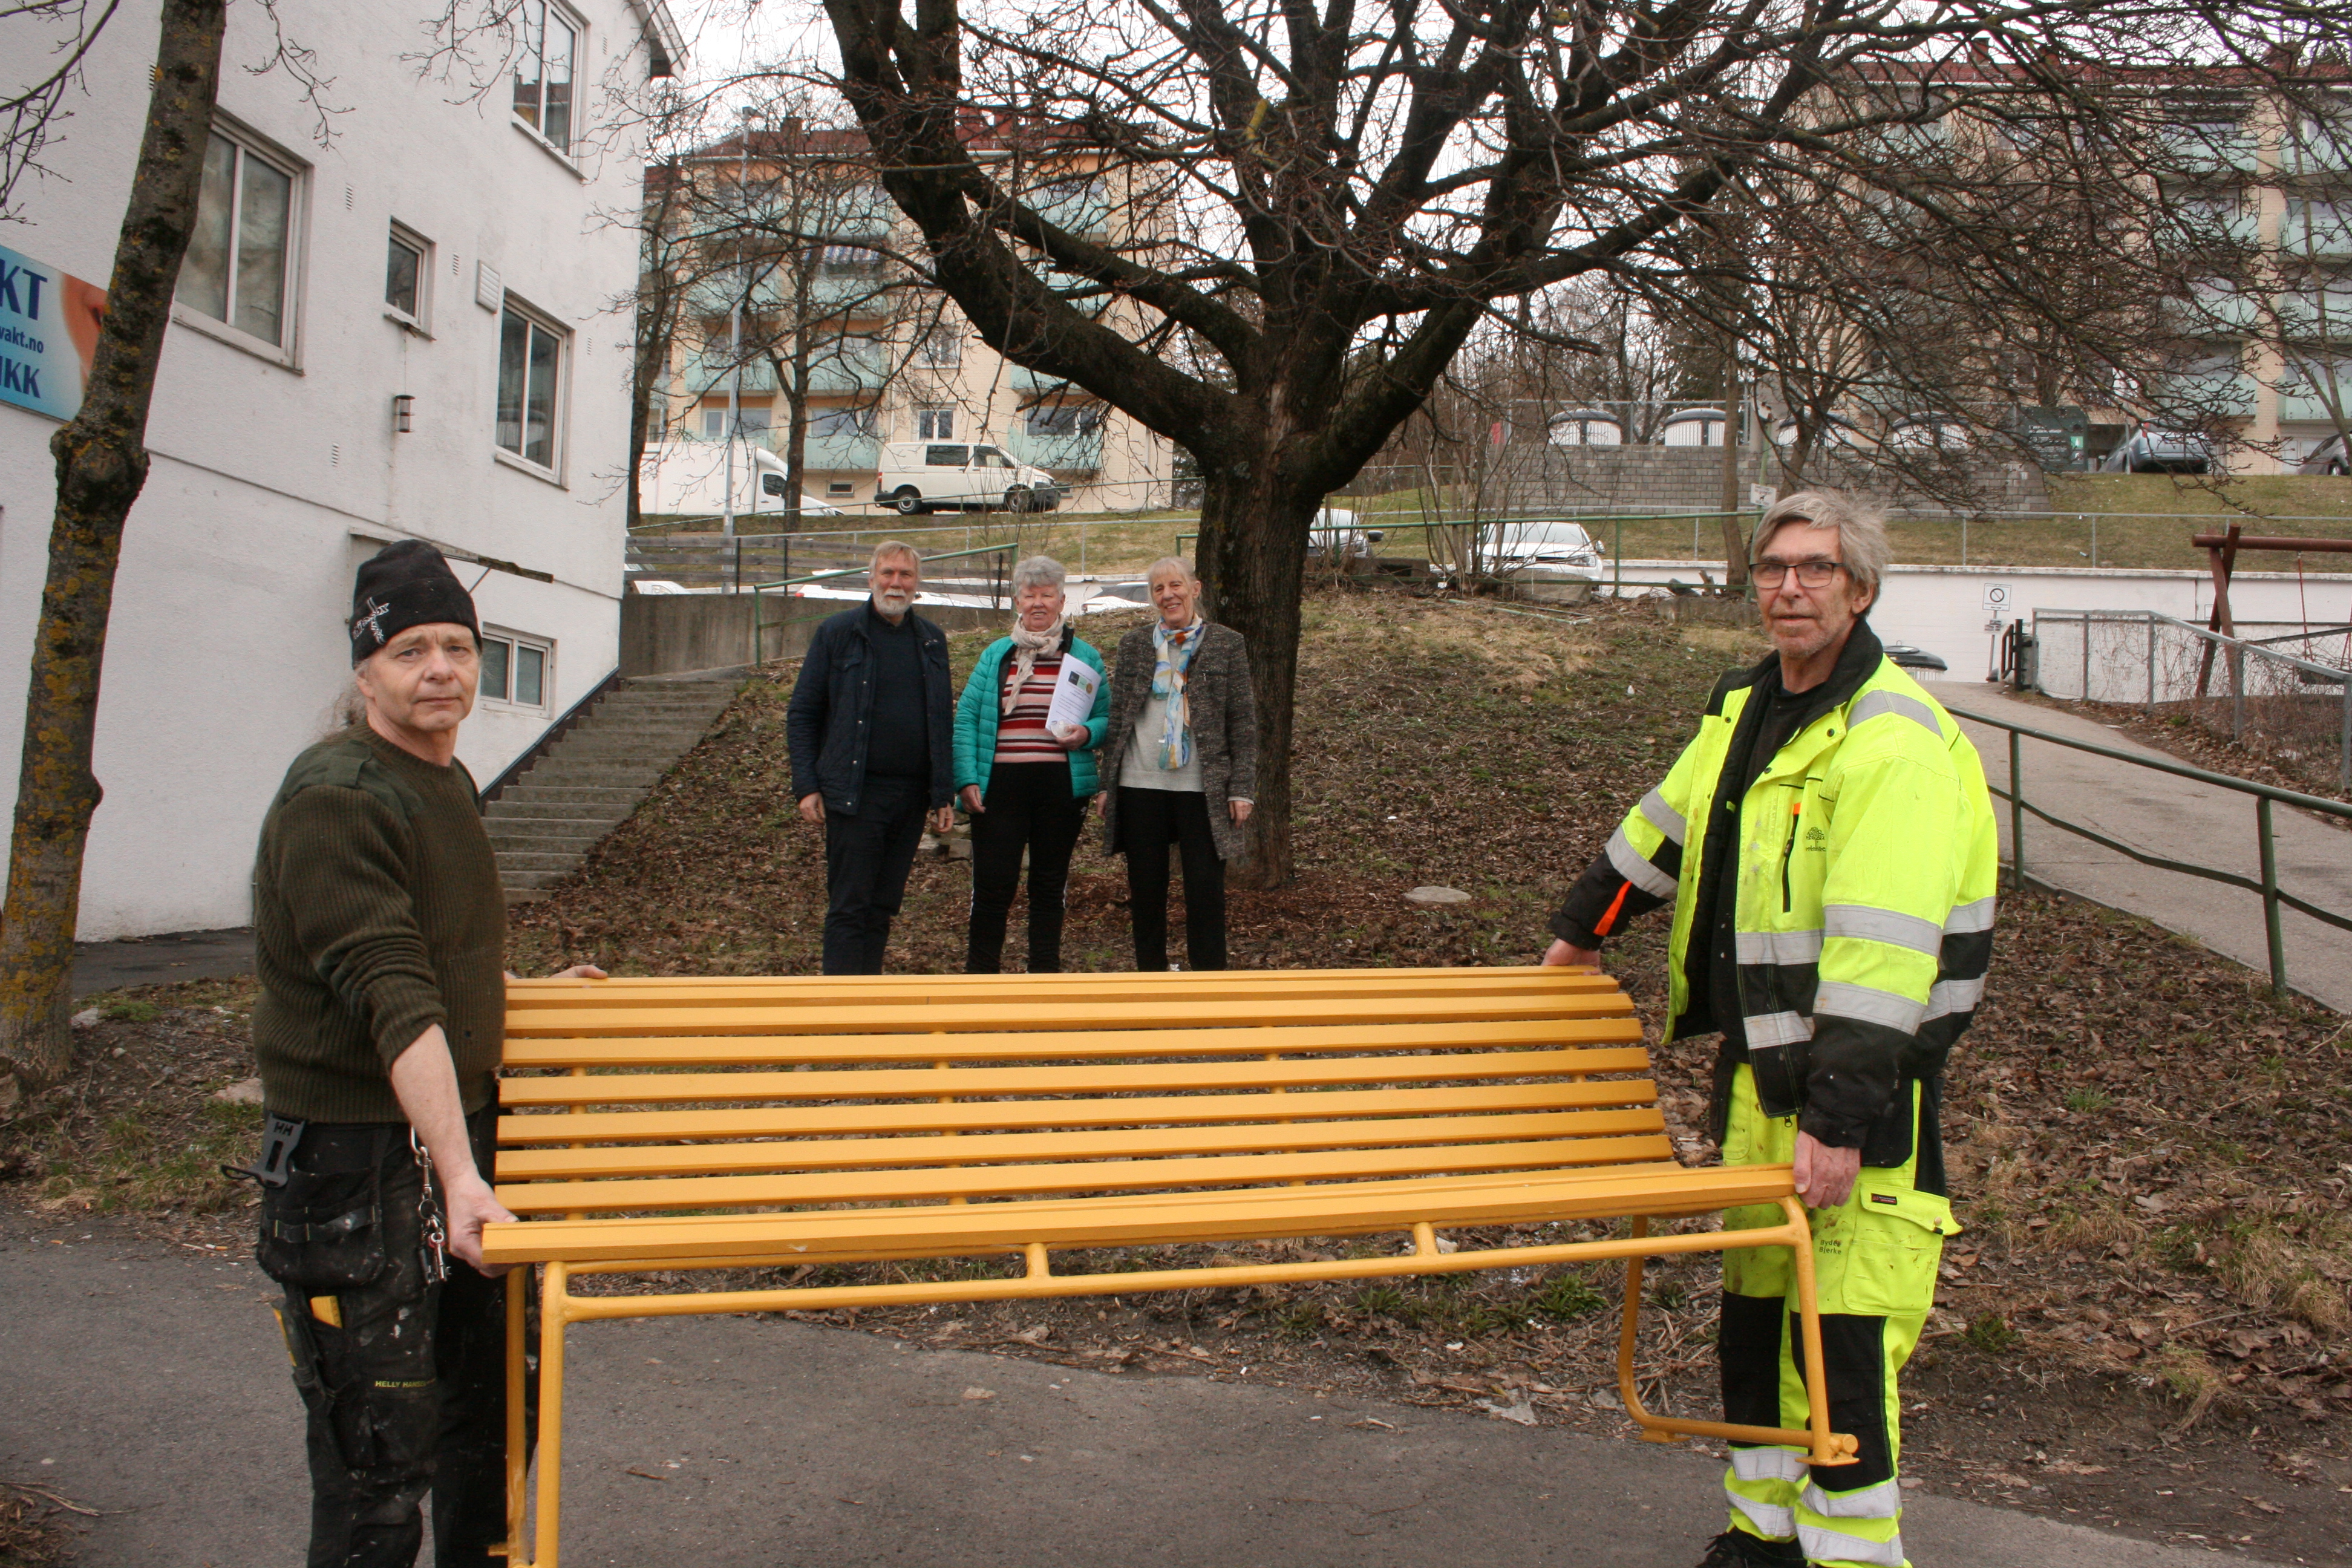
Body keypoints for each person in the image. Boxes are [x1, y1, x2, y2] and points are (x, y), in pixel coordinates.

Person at [1541, 492, 1999, 1568]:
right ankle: (1762, 1538)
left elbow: (1882, 957)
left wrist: (1839, 1118)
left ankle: (1849, 1556)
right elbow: (1665, 824)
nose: (1788, 587)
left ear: (1860, 589)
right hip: (1758, 1079)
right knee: (1753, 1322)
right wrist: (1580, 930)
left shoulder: (1889, 741)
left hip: (1861, 1097)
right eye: (1772, 568)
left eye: (1815, 570)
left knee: (1837, 1342)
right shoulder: (1746, 708)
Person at [245, 539, 603, 1568]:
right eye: (410, 650)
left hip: (453, 1147)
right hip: (355, 1172)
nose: (439, 667)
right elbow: (392, 996)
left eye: (457, 644)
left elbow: (431, 954)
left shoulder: (440, 781)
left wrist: (514, 996)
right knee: (377, 1471)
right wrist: (462, 1178)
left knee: (488, 1433)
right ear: (365, 672)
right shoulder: (338, 798)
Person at [786, 540, 955, 975]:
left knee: (883, 908)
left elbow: (939, 720)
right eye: (888, 573)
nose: (896, 583)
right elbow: (804, 712)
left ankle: (869, 1009)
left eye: (906, 575)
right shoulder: (838, 633)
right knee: (849, 908)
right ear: (872, 577)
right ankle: (841, 1022)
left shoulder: (932, 642)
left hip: (910, 798)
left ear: (917, 583)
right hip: (854, 795)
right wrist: (806, 785)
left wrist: (942, 794)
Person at [953, 555, 1113, 972]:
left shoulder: (1085, 657)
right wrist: (966, 778)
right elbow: (968, 717)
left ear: (1062, 601)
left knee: (1048, 885)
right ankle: (981, 980)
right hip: (1000, 787)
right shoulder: (996, 655)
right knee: (993, 886)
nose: (1038, 603)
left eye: (1047, 595)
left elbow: (1107, 717)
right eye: (1030, 595)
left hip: (1060, 789)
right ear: (1017, 600)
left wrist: (1087, 734)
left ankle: (1045, 978)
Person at [1099, 557, 1256, 971]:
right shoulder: (1135, 645)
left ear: (1195, 588)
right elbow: (1118, 717)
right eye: (1158, 589)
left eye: (1176, 585)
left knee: (1205, 894)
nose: (1168, 595)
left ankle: (1208, 988)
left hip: (1201, 788)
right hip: (1139, 784)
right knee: (1146, 892)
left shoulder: (1226, 643)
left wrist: (1242, 788)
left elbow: (1242, 721)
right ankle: (1150, 982)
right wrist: (1106, 784)